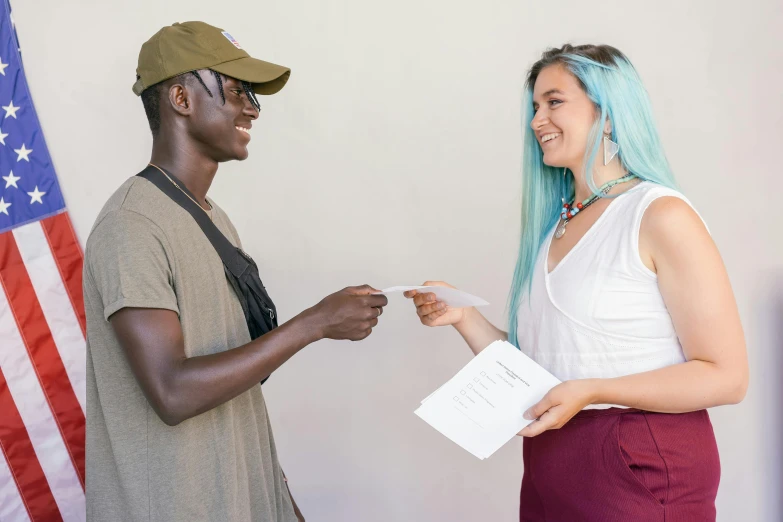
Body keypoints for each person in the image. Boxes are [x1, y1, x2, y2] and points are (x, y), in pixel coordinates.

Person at [405, 44, 748, 521]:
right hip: (553, 458)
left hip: (637, 456)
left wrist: (591, 391)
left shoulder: (660, 215)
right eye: (534, 107)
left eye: (553, 101)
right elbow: (546, 366)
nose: (536, 121)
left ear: (607, 115)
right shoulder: (556, 226)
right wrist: (463, 317)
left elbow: (726, 376)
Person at [83, 21, 387, 522]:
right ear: (181, 97)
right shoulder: (131, 225)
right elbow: (172, 391)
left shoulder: (210, 216)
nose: (251, 107)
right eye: (234, 90)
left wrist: (278, 497)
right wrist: (315, 324)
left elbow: (233, 377)